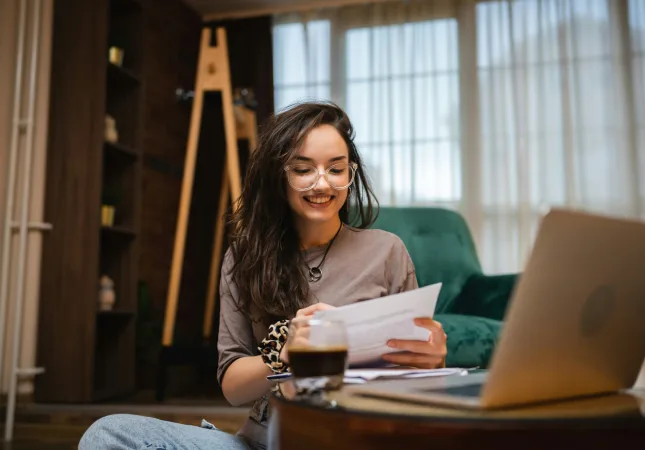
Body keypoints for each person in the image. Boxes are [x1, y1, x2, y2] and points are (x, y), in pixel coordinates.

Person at [78, 101, 447, 450]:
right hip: (262, 440)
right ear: (278, 175)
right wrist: (284, 353)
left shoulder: (386, 251)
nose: (322, 184)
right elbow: (234, 388)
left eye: (336, 169)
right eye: (303, 169)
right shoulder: (244, 258)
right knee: (109, 435)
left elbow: (412, 384)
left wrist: (434, 361)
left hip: (347, 437)